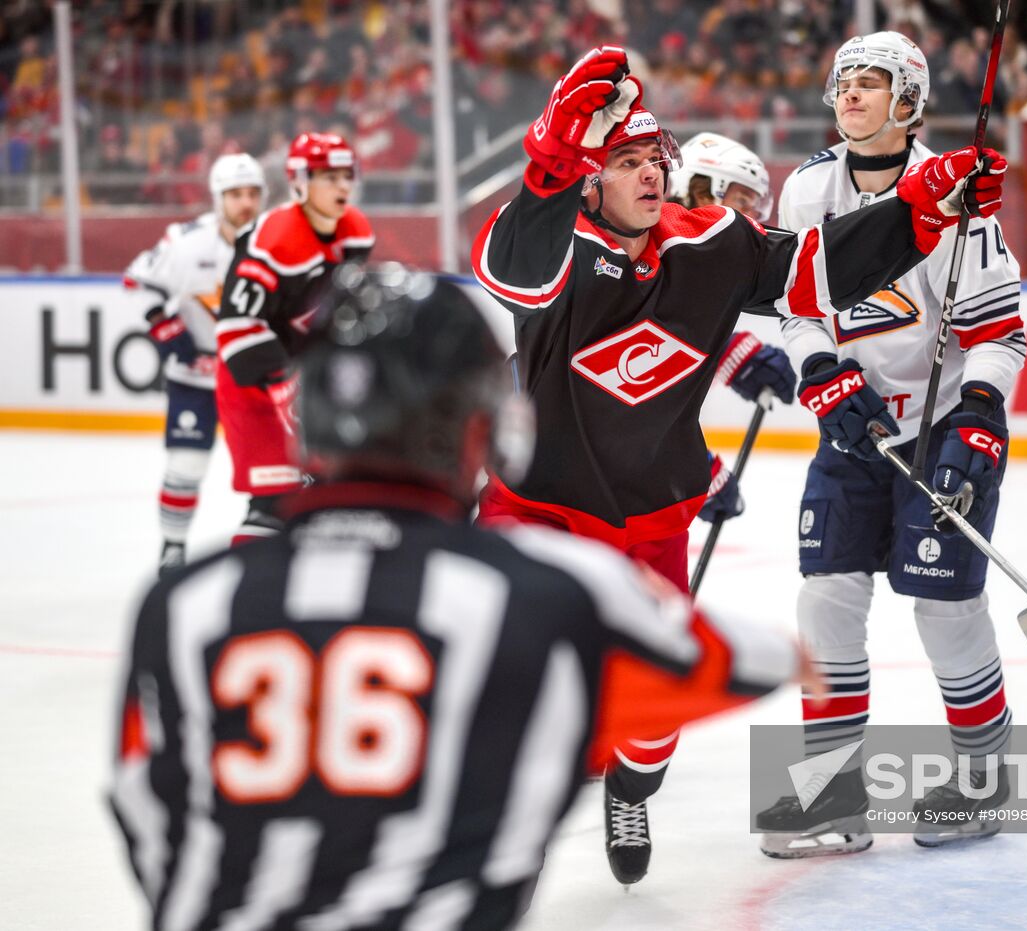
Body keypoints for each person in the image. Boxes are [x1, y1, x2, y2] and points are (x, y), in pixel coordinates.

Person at [108, 265, 809, 931]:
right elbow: (753, 659)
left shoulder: (180, 603)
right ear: (480, 426)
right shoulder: (542, 588)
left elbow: (144, 809)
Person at [469, 45, 1005, 884]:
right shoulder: (556, 246)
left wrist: (917, 208)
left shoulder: (711, 239)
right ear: (586, 178)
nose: (650, 175)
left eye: (657, 160)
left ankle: (631, 786)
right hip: (536, 505)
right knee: (505, 673)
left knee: (653, 716)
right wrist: (549, 156)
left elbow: (816, 274)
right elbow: (507, 270)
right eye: (626, 162)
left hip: (652, 509)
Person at [758, 30, 1024, 858]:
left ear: (908, 102)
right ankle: (834, 791)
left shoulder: (957, 198)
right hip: (855, 425)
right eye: (844, 82)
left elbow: (998, 330)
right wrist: (823, 373)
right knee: (826, 597)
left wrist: (979, 414)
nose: (850, 95)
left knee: (945, 606)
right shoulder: (806, 190)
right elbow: (795, 305)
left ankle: (983, 780)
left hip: (945, 419)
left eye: (870, 83)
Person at [215, 132, 374, 545]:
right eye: (329, 177)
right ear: (300, 182)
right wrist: (287, 387)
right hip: (252, 381)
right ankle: (252, 599)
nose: (342, 186)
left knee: (326, 494)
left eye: (346, 175)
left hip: (306, 377)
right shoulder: (274, 238)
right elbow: (236, 330)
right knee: (272, 501)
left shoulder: (355, 230)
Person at [122, 153, 266, 575]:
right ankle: (172, 549)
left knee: (269, 474)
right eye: (235, 194)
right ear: (217, 197)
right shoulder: (184, 241)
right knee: (185, 466)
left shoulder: (275, 240)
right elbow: (137, 281)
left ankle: (269, 552)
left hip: (256, 380)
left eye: (253, 193)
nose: (245, 202)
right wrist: (166, 329)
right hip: (195, 378)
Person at [667, 131, 795, 528]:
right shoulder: (644, 253)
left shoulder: (688, 265)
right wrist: (688, 469)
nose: (754, 220)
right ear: (703, 193)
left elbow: (679, 330)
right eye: (743, 202)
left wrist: (732, 352)